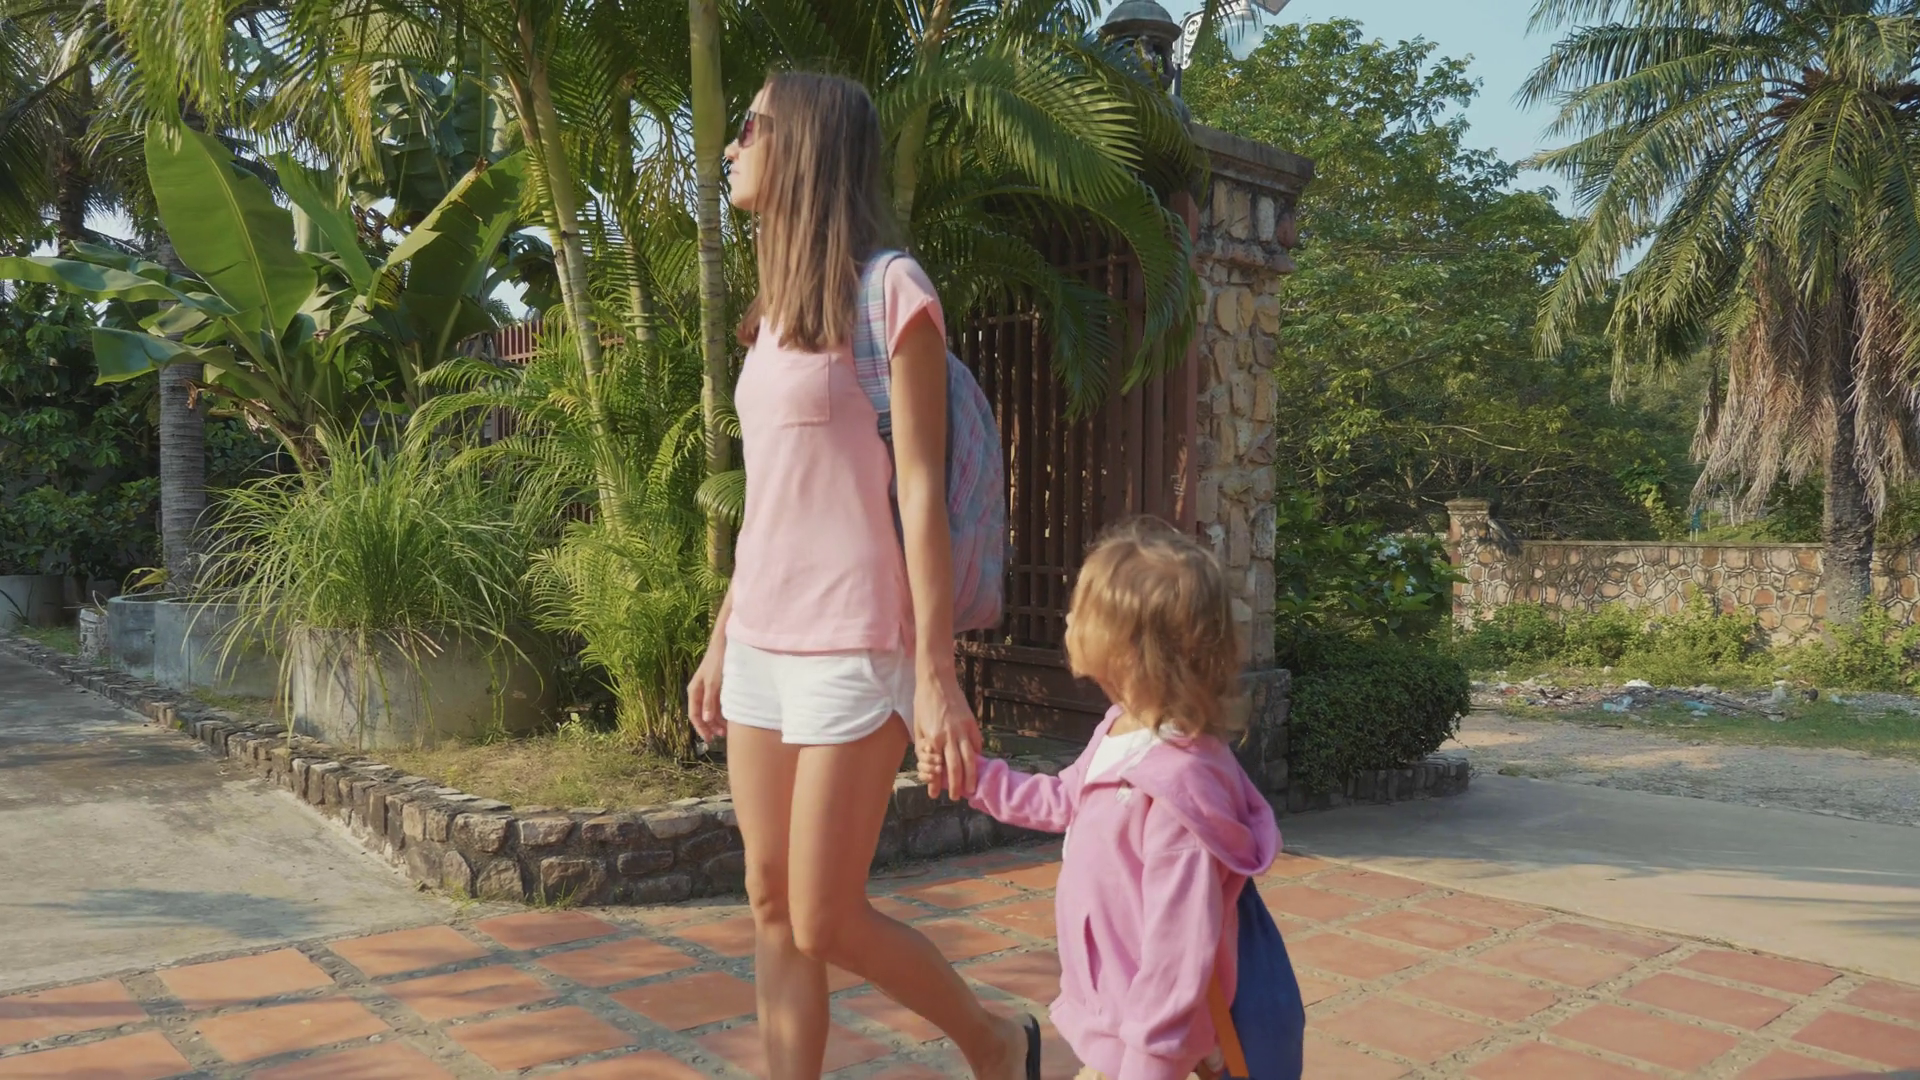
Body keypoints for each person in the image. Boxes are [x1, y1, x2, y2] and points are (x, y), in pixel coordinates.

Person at [686, 71, 1039, 1080]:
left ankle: (993, 1042)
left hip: (858, 643)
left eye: (750, 127)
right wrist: (721, 637)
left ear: (803, 144)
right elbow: (772, 502)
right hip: (761, 640)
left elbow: (921, 496)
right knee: (769, 901)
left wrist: (936, 674)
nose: (732, 145)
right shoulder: (767, 322)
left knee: (826, 913)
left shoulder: (894, 294)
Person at [932, 519, 1281, 1080]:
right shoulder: (1120, 730)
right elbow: (1062, 801)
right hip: (1118, 1008)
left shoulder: (1176, 794)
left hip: (1149, 1039)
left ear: (1130, 647)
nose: (1067, 620)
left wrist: (1150, 1061)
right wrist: (978, 779)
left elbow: (1178, 952)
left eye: (1082, 611)